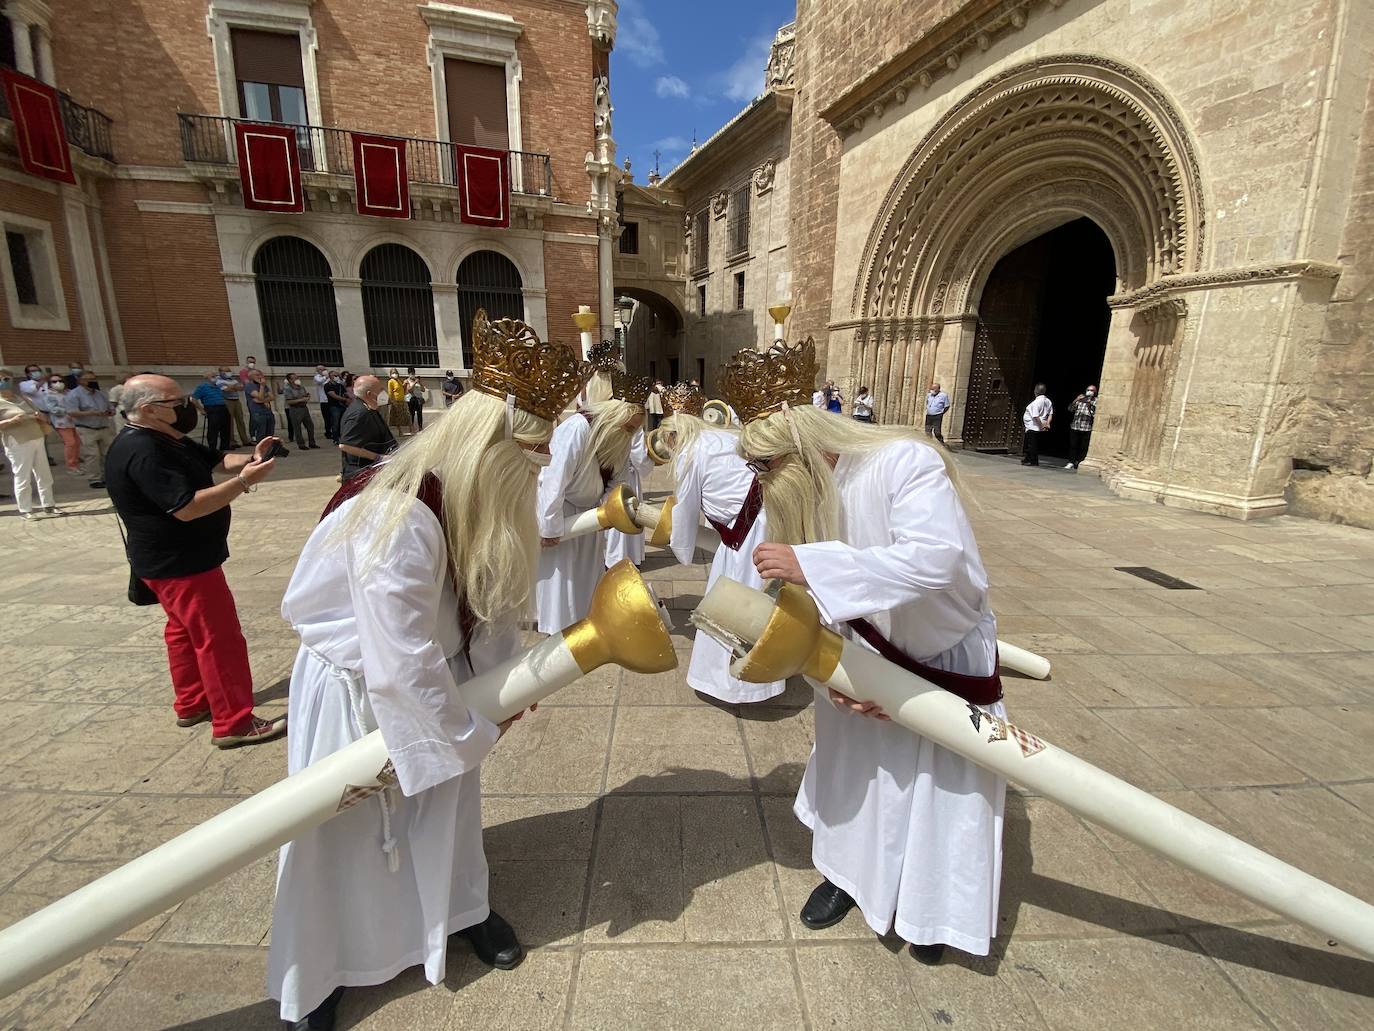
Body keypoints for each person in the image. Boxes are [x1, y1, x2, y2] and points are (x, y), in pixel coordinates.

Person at [267, 309, 585, 1029]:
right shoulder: (400, 515)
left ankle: (461, 909)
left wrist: (504, 687)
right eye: (531, 459)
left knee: (450, 812)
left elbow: (495, 597)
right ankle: (318, 972)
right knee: (338, 836)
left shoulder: (476, 498)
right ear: (491, 448)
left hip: (443, 676)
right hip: (361, 689)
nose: (539, 474)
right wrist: (472, 729)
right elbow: (397, 662)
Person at [723, 338, 1005, 968]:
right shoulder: (805, 494)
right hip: (860, 659)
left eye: (766, 468)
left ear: (800, 449)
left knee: (941, 789)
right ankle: (847, 877)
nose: (761, 485)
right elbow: (813, 606)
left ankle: (933, 910)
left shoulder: (904, 462)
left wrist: (813, 562)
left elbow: (937, 559)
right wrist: (836, 679)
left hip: (939, 656)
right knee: (858, 776)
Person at [106, 375, 287, 747]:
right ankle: (234, 722)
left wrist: (252, 456)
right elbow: (186, 508)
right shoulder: (144, 451)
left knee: (183, 632)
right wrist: (245, 482)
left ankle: (192, 702)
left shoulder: (165, 437)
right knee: (218, 639)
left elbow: (217, 460)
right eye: (178, 402)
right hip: (181, 563)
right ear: (149, 410)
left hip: (174, 560)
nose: (190, 406)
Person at [659, 382, 782, 703]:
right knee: (766, 598)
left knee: (735, 606)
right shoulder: (726, 434)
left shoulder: (689, 452)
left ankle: (734, 684)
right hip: (772, 517)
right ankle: (765, 676)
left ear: (672, 437)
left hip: (746, 536)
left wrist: (681, 548)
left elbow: (685, 510)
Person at [534, 359, 647, 633]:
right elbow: (553, 479)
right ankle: (557, 629)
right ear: (615, 416)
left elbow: (617, 481)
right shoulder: (577, 429)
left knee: (586, 575)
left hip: (589, 517)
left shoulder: (618, 439)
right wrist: (548, 526)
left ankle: (582, 623)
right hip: (564, 514)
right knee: (562, 577)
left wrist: (611, 508)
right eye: (629, 427)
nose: (631, 435)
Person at [0, 370, 57, 519]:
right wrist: (11, 421)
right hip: (17, 441)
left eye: (7, 378)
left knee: (44, 473)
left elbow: (43, 416)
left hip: (36, 437)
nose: (5, 381)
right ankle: (26, 509)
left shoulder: (22, 398)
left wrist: (40, 416)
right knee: (22, 475)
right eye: (1, 379)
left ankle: (49, 505)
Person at [604, 424, 655, 567]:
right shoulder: (633, 422)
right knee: (626, 513)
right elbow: (638, 456)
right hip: (626, 474)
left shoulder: (608, 417)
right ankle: (621, 556)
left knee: (610, 511)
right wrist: (651, 461)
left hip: (607, 472)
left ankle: (609, 554)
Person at [337, 375, 396, 481]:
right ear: (369, 394)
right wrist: (378, 457)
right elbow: (345, 445)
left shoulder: (369, 408)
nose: (384, 393)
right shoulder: (359, 413)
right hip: (361, 475)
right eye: (380, 390)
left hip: (374, 471)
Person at [65, 370, 116, 488]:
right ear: (81, 381)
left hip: (104, 427)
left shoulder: (100, 394)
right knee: (92, 455)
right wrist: (90, 413)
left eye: (93, 379)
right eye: (89, 379)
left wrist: (110, 411)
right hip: (86, 428)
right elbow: (71, 412)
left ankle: (107, 476)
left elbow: (110, 407)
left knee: (107, 453)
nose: (92, 381)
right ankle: (95, 479)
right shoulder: (74, 395)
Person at [44, 375, 82, 475]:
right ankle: (71, 465)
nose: (58, 383)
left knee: (77, 442)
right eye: (54, 381)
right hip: (61, 422)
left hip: (75, 420)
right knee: (70, 443)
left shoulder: (69, 392)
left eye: (60, 381)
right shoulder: (49, 395)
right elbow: (53, 409)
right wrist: (68, 412)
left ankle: (76, 463)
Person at [191, 370, 233, 453]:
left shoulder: (218, 386)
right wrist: (201, 410)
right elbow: (193, 399)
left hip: (223, 407)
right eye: (213, 376)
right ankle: (212, 447)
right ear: (207, 378)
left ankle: (225, 445)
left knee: (226, 426)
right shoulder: (202, 387)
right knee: (213, 428)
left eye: (215, 376)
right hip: (212, 408)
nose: (215, 378)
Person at [282, 373, 320, 450]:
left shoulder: (301, 387)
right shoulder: (288, 389)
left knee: (310, 426)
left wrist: (307, 397)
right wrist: (301, 400)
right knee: (297, 427)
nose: (297, 379)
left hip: (304, 408)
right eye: (294, 378)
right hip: (295, 409)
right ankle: (301, 444)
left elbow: (305, 395)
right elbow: (289, 401)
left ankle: (312, 442)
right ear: (290, 380)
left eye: (297, 378)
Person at [1066, 385, 1097, 470]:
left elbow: (1095, 414)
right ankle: (1071, 462)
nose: (1090, 391)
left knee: (1083, 447)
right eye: (1088, 390)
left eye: (1092, 390)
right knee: (1073, 445)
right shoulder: (1080, 399)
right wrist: (1076, 399)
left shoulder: (1096, 401)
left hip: (1086, 427)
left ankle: (1079, 462)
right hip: (1076, 425)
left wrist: (1090, 405)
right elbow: (1070, 409)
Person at [217, 366, 249, 448]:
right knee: (229, 422)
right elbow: (225, 390)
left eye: (229, 371)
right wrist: (234, 387)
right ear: (221, 372)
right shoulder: (218, 380)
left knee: (240, 420)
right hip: (227, 401)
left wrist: (232, 387)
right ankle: (231, 441)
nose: (229, 372)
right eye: (226, 371)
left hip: (236, 400)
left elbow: (241, 387)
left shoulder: (233, 379)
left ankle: (245, 440)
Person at [246, 370, 280, 447]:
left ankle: (269, 449)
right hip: (258, 412)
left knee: (270, 431)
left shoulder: (265, 386)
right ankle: (261, 450)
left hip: (268, 411)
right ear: (251, 377)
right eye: (257, 375)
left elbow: (272, 397)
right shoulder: (249, 386)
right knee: (261, 432)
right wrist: (261, 387)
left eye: (260, 375)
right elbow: (260, 396)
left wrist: (263, 401)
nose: (260, 376)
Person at [1021, 384, 1052, 467]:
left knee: (1032, 444)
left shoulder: (1036, 402)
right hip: (1037, 426)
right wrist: (1047, 423)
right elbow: (1050, 414)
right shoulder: (1048, 401)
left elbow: (1035, 416)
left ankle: (1034, 461)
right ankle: (1027, 459)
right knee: (1030, 443)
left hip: (1033, 426)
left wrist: (1041, 425)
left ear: (1035, 391)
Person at [313, 365, 338, 442]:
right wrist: (325, 376)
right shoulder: (317, 377)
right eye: (321, 369)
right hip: (324, 401)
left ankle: (334, 431)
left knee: (333, 417)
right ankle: (328, 432)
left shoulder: (328, 377)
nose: (323, 370)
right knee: (327, 418)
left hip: (331, 400)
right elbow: (320, 382)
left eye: (324, 369)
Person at [385, 368, 410, 435]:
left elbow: (402, 390)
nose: (395, 374)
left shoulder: (399, 380)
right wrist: (391, 400)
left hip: (402, 400)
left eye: (395, 372)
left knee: (404, 416)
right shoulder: (391, 381)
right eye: (393, 373)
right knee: (397, 417)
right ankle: (400, 431)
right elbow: (390, 392)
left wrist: (404, 385)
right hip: (395, 401)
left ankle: (406, 430)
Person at [325, 372, 349, 439]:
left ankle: (343, 437)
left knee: (343, 422)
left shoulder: (340, 385)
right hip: (334, 406)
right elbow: (333, 395)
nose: (336, 377)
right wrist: (345, 399)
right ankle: (336, 438)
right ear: (330, 376)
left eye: (337, 375)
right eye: (335, 375)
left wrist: (341, 379)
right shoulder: (328, 385)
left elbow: (345, 392)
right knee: (335, 423)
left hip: (342, 406)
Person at [404, 368, 426, 433]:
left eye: (413, 373)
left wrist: (420, 383)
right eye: (411, 373)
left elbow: (423, 390)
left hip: (419, 399)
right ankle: (411, 427)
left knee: (419, 413)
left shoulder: (417, 380)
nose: (413, 375)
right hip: (411, 399)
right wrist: (414, 383)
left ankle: (420, 427)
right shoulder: (407, 381)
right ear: (409, 374)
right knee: (412, 413)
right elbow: (409, 390)